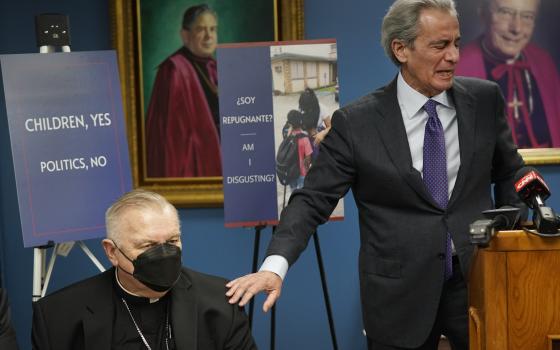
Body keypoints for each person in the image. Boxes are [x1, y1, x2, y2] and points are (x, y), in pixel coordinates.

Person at [226, 0, 526, 349]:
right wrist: (274, 266)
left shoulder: (484, 99)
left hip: (479, 284)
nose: (454, 56)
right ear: (401, 49)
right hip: (398, 297)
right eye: (440, 45)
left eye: (457, 43)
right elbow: (312, 200)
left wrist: (511, 239)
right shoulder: (356, 124)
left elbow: (511, 172)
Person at [32, 189, 256, 350]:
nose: (164, 255)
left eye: (172, 241)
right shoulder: (58, 316)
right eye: (147, 245)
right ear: (112, 252)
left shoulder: (221, 303)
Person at [456, 0, 560, 148]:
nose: (516, 28)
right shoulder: (458, 69)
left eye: (527, 16)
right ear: (483, 15)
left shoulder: (544, 63)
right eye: (505, 12)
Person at [145, 4, 222, 178]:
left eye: (212, 29)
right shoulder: (174, 70)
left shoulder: (215, 67)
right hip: (191, 165)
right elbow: (171, 138)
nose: (209, 36)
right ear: (185, 35)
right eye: (201, 29)